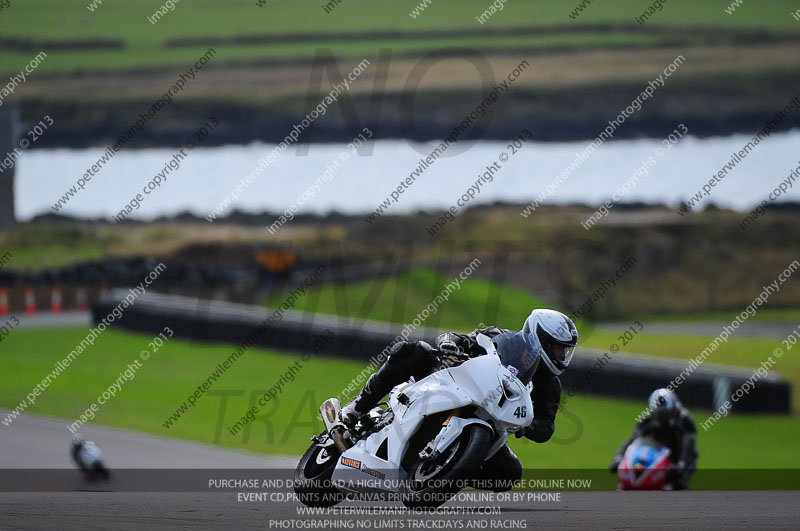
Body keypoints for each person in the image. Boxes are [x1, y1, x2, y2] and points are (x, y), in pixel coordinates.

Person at [339, 308, 579, 490]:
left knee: (510, 473)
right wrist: (449, 345)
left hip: (488, 418)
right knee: (415, 350)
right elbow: (459, 337)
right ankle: (358, 407)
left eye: (565, 350)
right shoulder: (500, 337)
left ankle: (446, 473)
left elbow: (546, 426)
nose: (562, 355)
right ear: (540, 338)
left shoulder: (549, 385)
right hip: (447, 383)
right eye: (558, 348)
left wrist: (529, 427)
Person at [610, 388, 698, 490]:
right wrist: (619, 457)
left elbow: (689, 447)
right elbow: (633, 440)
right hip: (656, 458)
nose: (661, 417)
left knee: (679, 482)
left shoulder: (685, 420)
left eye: (664, 413)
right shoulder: (648, 419)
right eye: (659, 413)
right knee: (626, 482)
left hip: (678, 457)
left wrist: (680, 466)